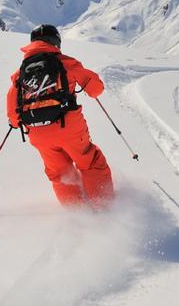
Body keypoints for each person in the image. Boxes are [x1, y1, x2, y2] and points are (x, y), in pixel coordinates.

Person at [6, 24, 115, 207]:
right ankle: (104, 208)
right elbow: (96, 90)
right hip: (69, 127)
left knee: (59, 173)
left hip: (38, 133)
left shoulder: (20, 73)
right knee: (90, 162)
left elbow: (13, 110)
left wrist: (16, 122)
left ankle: (76, 212)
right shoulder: (66, 63)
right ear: (56, 42)